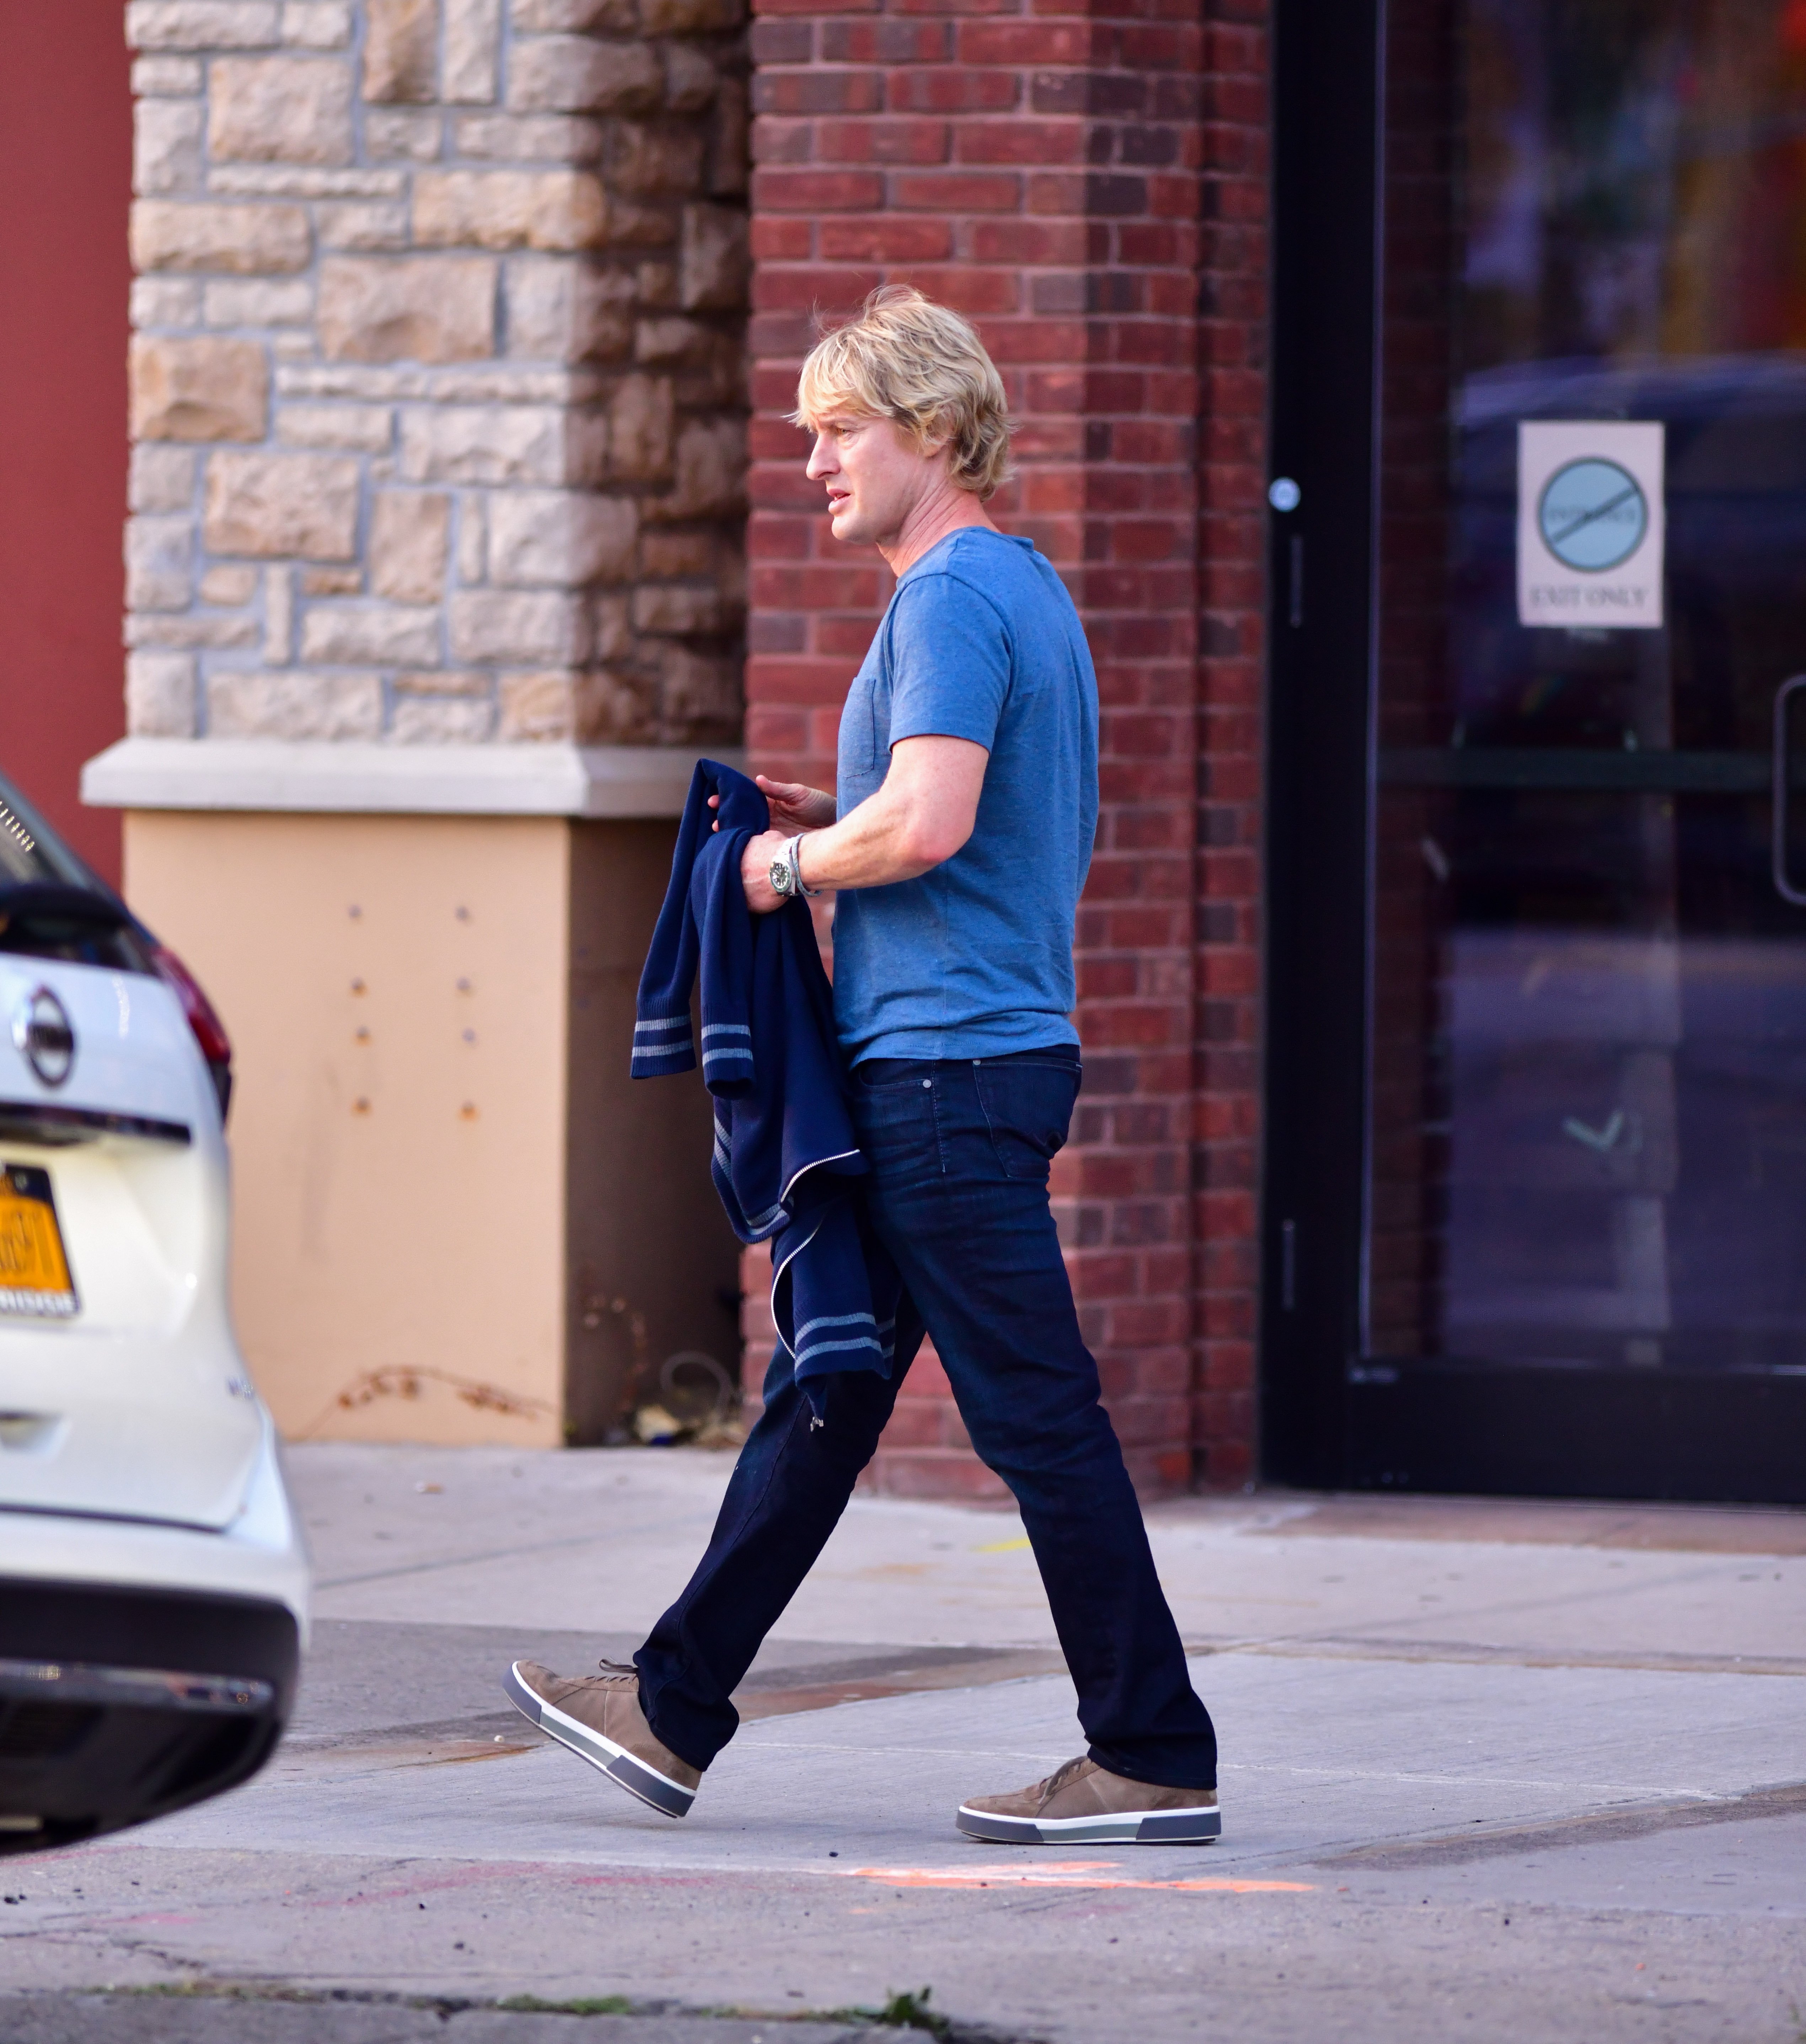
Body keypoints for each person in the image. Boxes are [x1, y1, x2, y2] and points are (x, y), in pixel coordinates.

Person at [505, 285, 1221, 1846]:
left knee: (1038, 1418)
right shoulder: (1018, 588)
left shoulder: (950, 595)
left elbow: (930, 823)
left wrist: (782, 868)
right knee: (824, 1393)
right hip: (966, 1058)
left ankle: (1151, 1747)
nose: (810, 460)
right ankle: (671, 1704)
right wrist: (812, 808)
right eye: (803, 434)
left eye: (840, 430)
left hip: (946, 1073)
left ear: (938, 429)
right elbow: (926, 799)